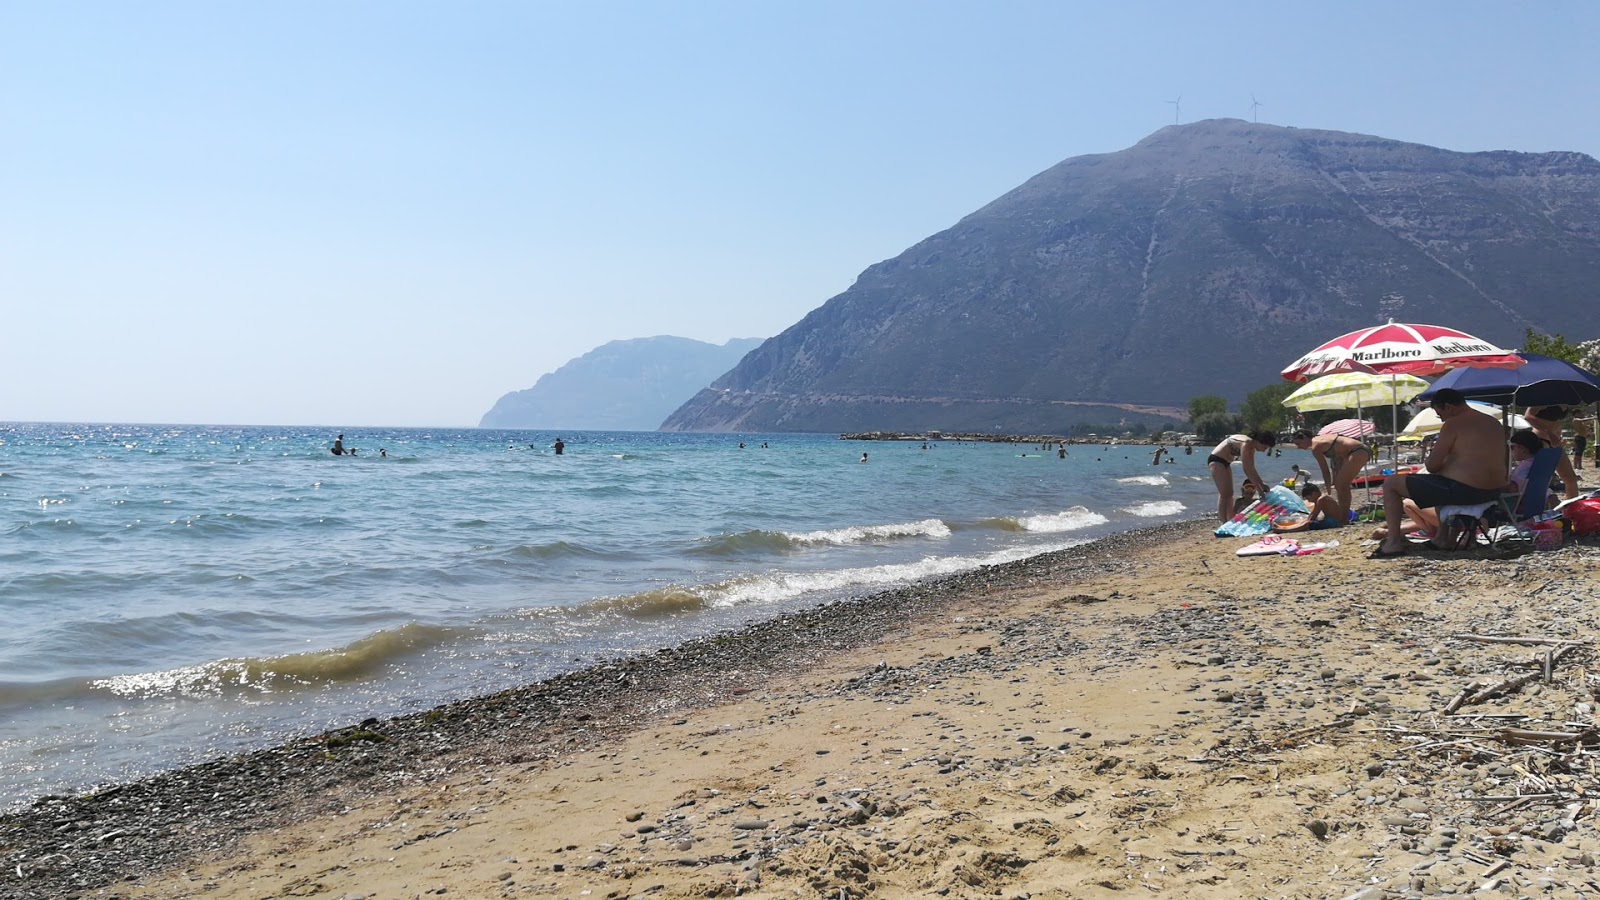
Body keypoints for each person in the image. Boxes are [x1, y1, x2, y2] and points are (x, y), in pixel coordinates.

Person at [1373, 389, 1507, 557]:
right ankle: (1443, 538)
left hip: (1467, 491)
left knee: (1392, 483)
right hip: (1493, 492)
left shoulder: (1454, 423)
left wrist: (1442, 464)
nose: (1442, 419)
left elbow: (1432, 465)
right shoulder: (1493, 422)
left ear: (1448, 407)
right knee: (1439, 481)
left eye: (1440, 414)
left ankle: (1393, 542)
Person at [1290, 430, 1371, 522]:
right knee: (1341, 485)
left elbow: (1325, 470)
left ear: (1304, 437)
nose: (1298, 447)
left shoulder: (1315, 446)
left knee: (1341, 485)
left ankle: (1344, 519)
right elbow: (1340, 453)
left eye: (1299, 443)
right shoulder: (1321, 438)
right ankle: (1343, 516)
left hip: (1357, 451)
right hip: (1360, 450)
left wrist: (1328, 489)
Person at [1207, 431, 1277, 522]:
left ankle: (1231, 519)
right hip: (1216, 460)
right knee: (1224, 494)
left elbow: (1252, 468)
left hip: (1226, 462)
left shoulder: (1251, 448)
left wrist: (1261, 484)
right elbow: (1246, 469)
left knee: (1230, 493)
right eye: (1264, 447)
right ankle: (1223, 522)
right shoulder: (1246, 443)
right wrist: (1259, 490)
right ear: (1259, 441)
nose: (1264, 450)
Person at [1523, 406, 1579, 500]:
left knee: (1570, 478)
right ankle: (1536, 508)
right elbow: (1528, 416)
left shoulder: (1566, 396)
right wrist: (1548, 432)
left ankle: (1571, 507)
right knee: (1538, 481)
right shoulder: (1544, 396)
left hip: (1555, 441)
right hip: (1541, 440)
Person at [1272, 483, 1345, 533]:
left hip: (1333, 522)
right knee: (1307, 521)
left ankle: (1284, 530)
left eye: (1308, 498)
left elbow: (1313, 516)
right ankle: (1284, 528)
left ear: (1313, 493)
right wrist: (1303, 521)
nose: (1308, 501)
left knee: (1309, 524)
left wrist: (1305, 522)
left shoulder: (1321, 499)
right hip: (1333, 521)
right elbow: (1312, 515)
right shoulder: (1321, 498)